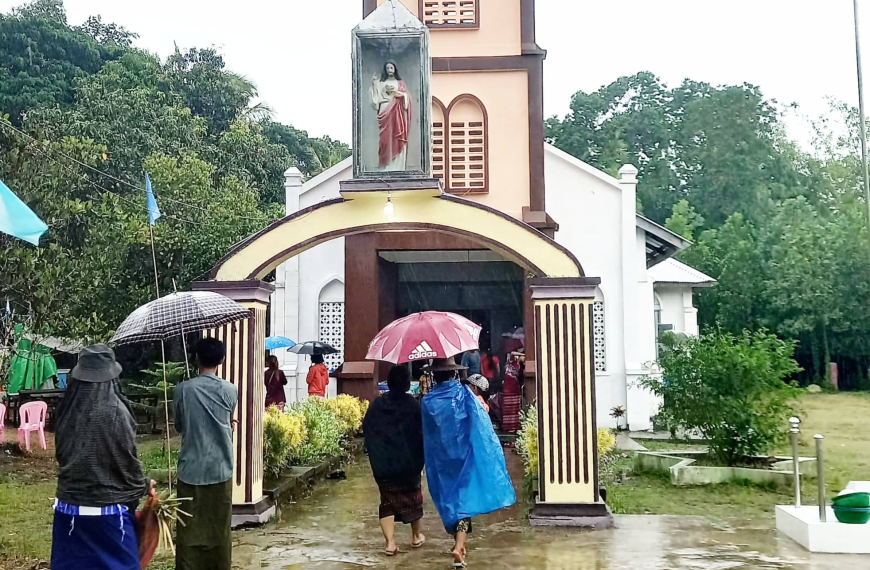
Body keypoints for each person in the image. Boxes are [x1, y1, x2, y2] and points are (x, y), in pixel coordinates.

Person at [51, 344, 156, 570]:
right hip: (108, 519)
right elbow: (126, 461)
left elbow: (64, 455)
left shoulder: (66, 409)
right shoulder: (116, 411)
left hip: (67, 513)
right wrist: (145, 485)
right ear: (112, 376)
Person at [421, 359, 515, 568]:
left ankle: (458, 544)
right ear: (454, 374)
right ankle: (459, 545)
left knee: (449, 499)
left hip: (441, 458)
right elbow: (481, 425)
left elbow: (428, 433)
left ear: (434, 376)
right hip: (464, 454)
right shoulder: (465, 395)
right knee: (464, 500)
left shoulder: (427, 401)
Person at [174, 338, 238, 570]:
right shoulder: (231, 390)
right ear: (221, 360)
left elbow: (180, 426)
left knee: (188, 529)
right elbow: (224, 418)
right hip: (220, 468)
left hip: (190, 469)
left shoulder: (182, 390)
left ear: (196, 359)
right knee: (219, 530)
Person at [362, 366, 426, 556]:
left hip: (384, 465)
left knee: (387, 502)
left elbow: (367, 428)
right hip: (409, 465)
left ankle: (390, 543)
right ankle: (416, 537)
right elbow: (421, 433)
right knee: (413, 498)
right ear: (407, 383)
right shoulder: (413, 405)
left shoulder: (377, 405)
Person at [371, 61, 412, 171]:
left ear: (395, 69)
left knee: (397, 136)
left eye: (391, 67)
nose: (389, 70)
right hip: (384, 108)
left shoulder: (400, 83)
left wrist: (398, 93)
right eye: (387, 68)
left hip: (397, 112)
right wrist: (374, 85)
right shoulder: (381, 83)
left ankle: (398, 167)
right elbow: (375, 101)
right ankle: (385, 166)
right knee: (384, 140)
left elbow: (407, 98)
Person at [501, 353, 523, 433]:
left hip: (514, 389)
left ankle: (514, 428)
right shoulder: (508, 364)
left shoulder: (518, 365)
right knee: (508, 410)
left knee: (514, 410)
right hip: (507, 389)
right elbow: (512, 352)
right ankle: (508, 428)